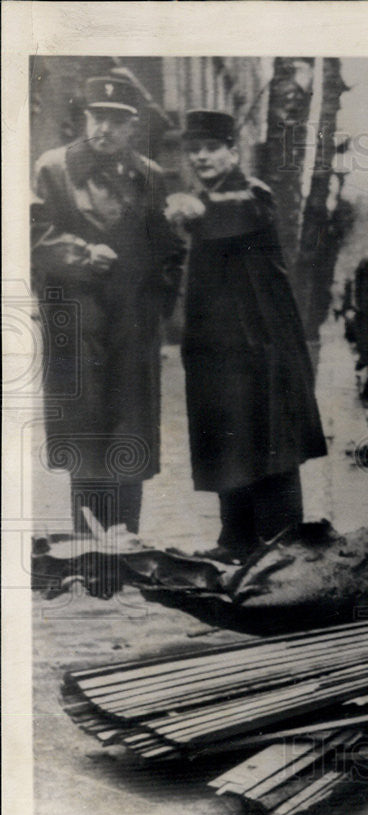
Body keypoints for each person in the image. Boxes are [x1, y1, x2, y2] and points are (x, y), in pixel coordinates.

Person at [169, 110, 328, 562]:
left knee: (270, 445)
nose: (201, 157)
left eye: (211, 148)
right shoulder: (207, 198)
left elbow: (237, 215)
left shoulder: (252, 194)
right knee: (226, 441)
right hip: (217, 351)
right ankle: (234, 541)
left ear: (232, 153)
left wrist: (198, 208)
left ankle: (283, 552)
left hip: (262, 348)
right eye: (193, 150)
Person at [31, 75, 183, 535]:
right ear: (85, 118)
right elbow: (34, 235)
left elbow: (169, 251)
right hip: (78, 323)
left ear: (133, 127)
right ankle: (88, 539)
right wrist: (81, 253)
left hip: (132, 326)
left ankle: (127, 538)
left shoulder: (149, 175)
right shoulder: (53, 168)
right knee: (85, 427)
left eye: (116, 121)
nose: (104, 129)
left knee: (129, 428)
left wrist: (154, 306)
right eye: (98, 117)